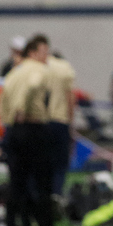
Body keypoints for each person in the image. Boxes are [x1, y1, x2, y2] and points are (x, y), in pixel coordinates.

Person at [0, 34, 66, 226]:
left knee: (17, 183)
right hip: (34, 128)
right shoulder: (38, 70)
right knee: (43, 184)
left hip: (15, 131)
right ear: (34, 52)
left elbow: (3, 97)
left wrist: (10, 117)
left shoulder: (14, 71)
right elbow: (33, 86)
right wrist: (22, 109)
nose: (47, 57)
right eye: (44, 52)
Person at [46, 49, 76, 201]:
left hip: (42, 122)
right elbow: (70, 98)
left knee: (45, 163)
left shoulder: (41, 69)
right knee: (60, 164)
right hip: (60, 121)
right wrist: (71, 124)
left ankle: (44, 195)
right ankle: (56, 195)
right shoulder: (64, 69)